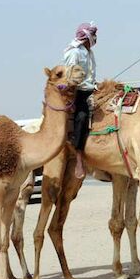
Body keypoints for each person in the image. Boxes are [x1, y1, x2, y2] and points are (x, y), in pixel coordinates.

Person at [62, 22, 98, 179]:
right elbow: (70, 76)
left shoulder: (89, 53)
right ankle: (78, 158)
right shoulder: (74, 53)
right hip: (78, 92)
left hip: (90, 89)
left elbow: (91, 75)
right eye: (94, 36)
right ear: (87, 36)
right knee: (82, 117)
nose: (96, 39)